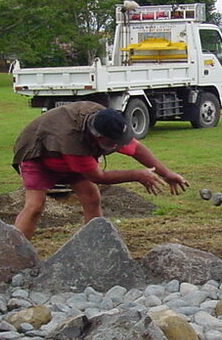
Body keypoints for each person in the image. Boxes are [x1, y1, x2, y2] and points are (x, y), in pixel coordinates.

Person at [12, 101, 188, 238]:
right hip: (38, 155)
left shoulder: (107, 121)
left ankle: (95, 244)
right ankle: (13, 253)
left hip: (69, 157)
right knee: (35, 206)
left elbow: (136, 149)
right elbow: (98, 176)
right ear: (97, 136)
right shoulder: (74, 142)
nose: (116, 146)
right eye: (112, 143)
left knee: (91, 197)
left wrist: (166, 173)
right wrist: (137, 175)